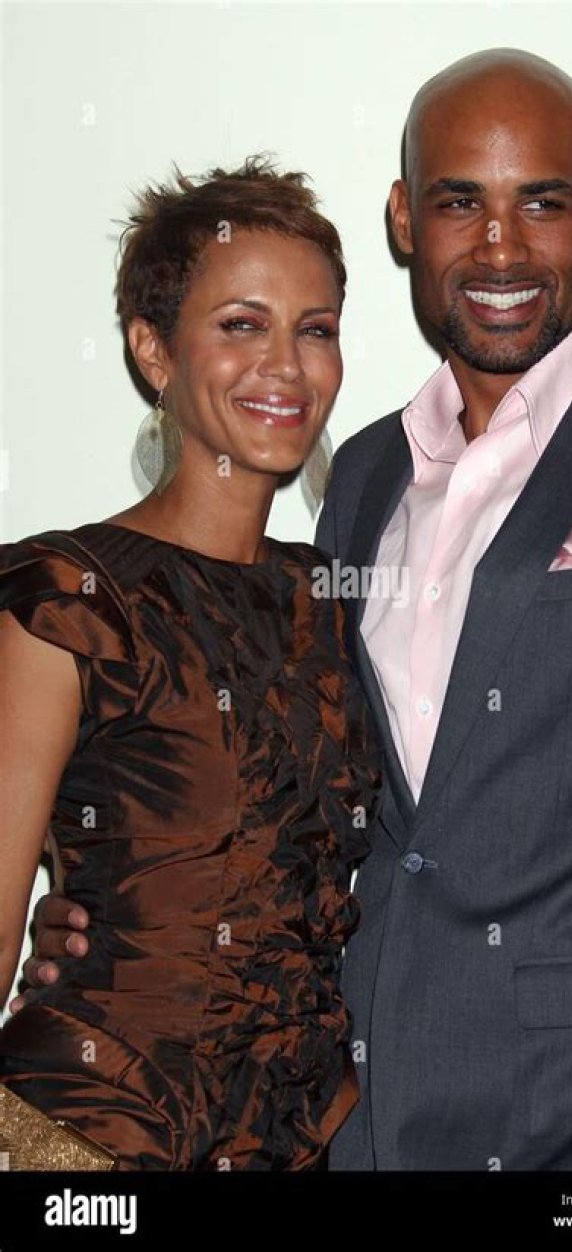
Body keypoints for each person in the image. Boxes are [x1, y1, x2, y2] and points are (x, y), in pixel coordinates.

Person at [19, 46, 572, 1171]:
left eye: (541, 202)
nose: (500, 246)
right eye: (460, 202)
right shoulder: (367, 478)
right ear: (406, 218)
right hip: (354, 1120)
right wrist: (114, 912)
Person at [0, 157, 380, 1170]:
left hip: (302, 1143)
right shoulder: (68, 599)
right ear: (152, 348)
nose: (286, 366)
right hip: (87, 1143)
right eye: (242, 324)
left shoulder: (337, 599)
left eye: (315, 329)